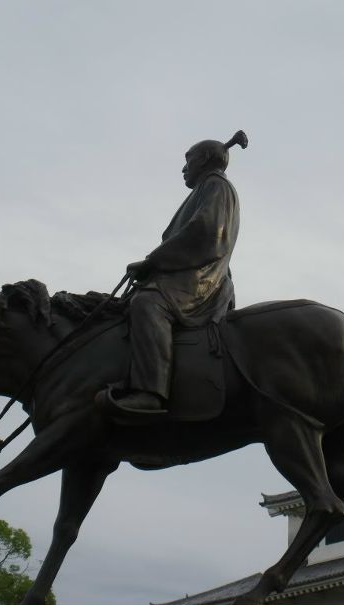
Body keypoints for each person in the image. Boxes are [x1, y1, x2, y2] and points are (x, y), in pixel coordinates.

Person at [98, 130, 247, 415]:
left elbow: (204, 234)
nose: (183, 167)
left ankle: (149, 392)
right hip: (189, 273)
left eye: (188, 160)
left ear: (203, 160)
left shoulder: (217, 186)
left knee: (148, 303)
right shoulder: (208, 188)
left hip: (202, 279)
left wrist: (152, 261)